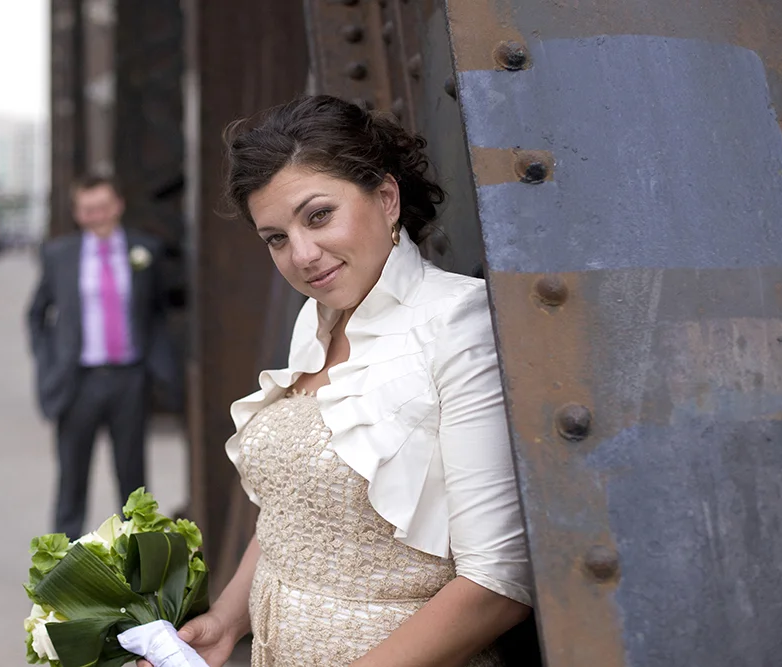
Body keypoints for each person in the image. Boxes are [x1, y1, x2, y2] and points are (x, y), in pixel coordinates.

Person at [140, 95, 533, 667]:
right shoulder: (320, 318)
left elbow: (498, 584)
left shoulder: (457, 323)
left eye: (318, 215)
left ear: (386, 197)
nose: (302, 255)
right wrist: (226, 621)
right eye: (275, 237)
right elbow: (300, 512)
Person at [27, 174, 176, 540]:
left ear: (118, 205)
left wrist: (156, 364)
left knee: (134, 482)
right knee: (71, 480)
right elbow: (36, 314)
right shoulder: (59, 254)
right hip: (78, 380)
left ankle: (139, 565)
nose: (98, 215)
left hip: (130, 378)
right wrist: (48, 362)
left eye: (104, 206)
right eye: (89, 209)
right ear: (78, 213)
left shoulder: (145, 251)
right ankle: (61, 571)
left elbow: (160, 308)